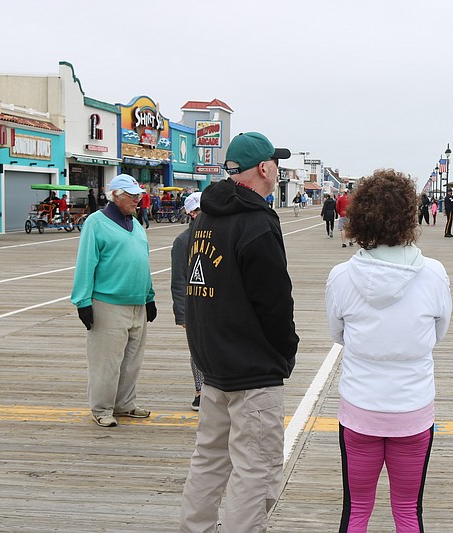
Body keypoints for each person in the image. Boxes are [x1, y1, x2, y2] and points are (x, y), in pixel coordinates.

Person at [179, 132, 298, 533]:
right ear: (265, 168)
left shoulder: (206, 218)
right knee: (256, 468)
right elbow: (275, 301)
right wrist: (286, 351)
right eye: (275, 163)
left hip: (213, 365)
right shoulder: (257, 223)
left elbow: (197, 289)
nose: (278, 169)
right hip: (252, 369)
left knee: (209, 458)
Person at [326, 169, 452, 532]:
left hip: (360, 409)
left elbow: (339, 334)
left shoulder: (341, 275)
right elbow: (438, 332)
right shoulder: (434, 274)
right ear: (409, 217)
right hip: (412, 410)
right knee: (409, 511)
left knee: (358, 509)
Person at [70, 174, 156, 428]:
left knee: (132, 360)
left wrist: (149, 297)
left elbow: (143, 262)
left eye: (138, 195)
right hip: (108, 302)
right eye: (132, 195)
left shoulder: (136, 225)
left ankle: (125, 403)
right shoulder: (96, 223)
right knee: (106, 361)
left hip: (137, 303)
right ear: (116, 195)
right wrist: (83, 302)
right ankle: (102, 408)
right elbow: (86, 263)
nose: (137, 200)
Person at [171, 192, 204, 411]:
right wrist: (181, 314)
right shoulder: (183, 241)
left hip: (220, 303)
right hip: (195, 305)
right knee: (198, 350)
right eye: (200, 210)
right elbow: (179, 280)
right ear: (191, 213)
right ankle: (200, 391)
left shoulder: (220, 233)